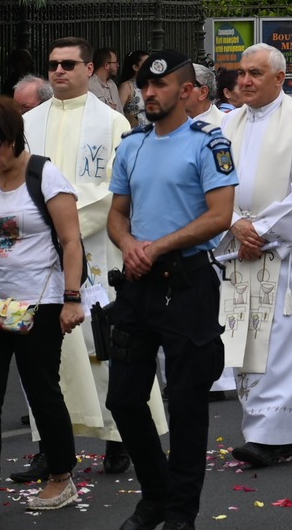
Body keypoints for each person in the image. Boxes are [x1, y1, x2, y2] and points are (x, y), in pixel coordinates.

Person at [106, 53, 239, 530]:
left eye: (159, 86)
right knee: (123, 399)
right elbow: (117, 214)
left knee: (185, 407)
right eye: (145, 86)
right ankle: (156, 496)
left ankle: (181, 512)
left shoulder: (208, 144)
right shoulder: (133, 145)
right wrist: (128, 244)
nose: (149, 94)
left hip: (187, 285)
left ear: (186, 91)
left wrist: (157, 246)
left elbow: (219, 215)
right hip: (139, 286)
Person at [11, 37, 140, 483]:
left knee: (102, 351)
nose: (59, 71)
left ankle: (117, 440)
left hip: (96, 254)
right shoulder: (27, 122)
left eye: (69, 64)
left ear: (90, 69)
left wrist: (66, 226)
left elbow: (116, 190)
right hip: (39, 259)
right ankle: (49, 449)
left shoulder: (113, 123)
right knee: (44, 354)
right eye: (53, 65)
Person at [0, 97, 86, 517]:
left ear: (12, 138)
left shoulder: (45, 176)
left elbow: (70, 241)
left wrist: (71, 299)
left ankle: (62, 477)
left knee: (42, 389)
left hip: (38, 303)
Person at [212, 46, 292, 468]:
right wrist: (234, 224)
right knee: (248, 336)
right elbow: (212, 182)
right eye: (241, 73)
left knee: (283, 340)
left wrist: (257, 231)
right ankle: (260, 431)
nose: (245, 80)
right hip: (240, 247)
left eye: (255, 73)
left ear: (280, 78)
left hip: (286, 249)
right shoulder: (228, 122)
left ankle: (280, 435)